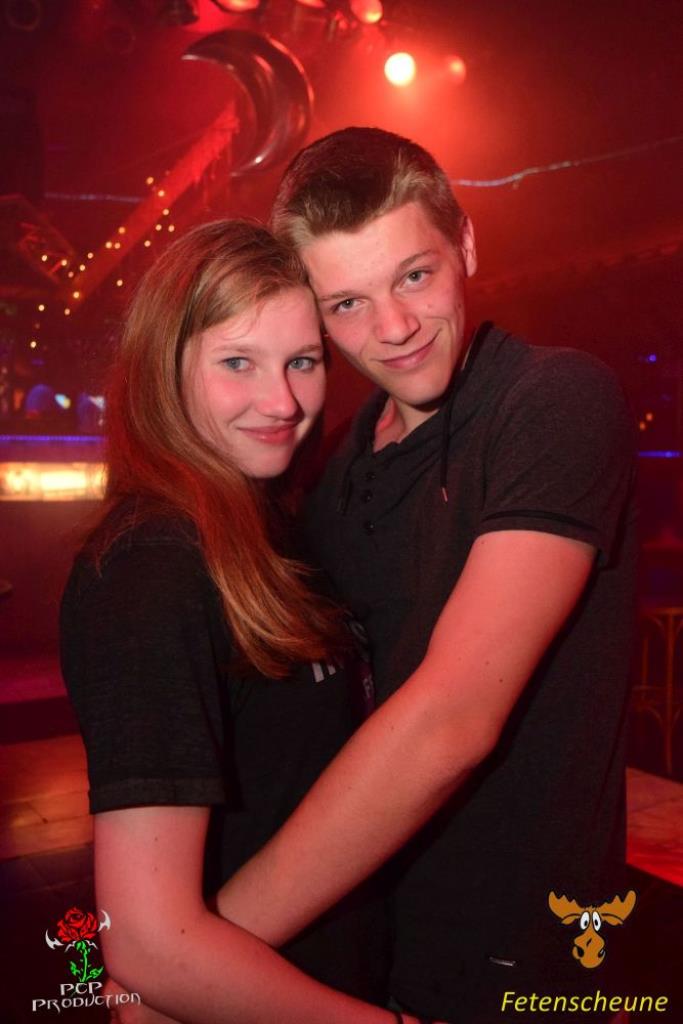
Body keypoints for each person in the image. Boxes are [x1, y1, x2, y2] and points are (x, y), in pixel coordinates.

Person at [205, 129, 637, 1023]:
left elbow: (449, 719)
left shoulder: (550, 400)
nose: (392, 328)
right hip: (360, 942)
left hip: (531, 955)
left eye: (413, 275)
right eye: (347, 303)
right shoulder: (330, 462)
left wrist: (204, 952)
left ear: (464, 243)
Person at [60, 218, 428, 1024]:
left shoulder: (261, 528)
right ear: (165, 369)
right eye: (237, 362)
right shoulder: (152, 565)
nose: (283, 402)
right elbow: (147, 946)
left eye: (302, 361)